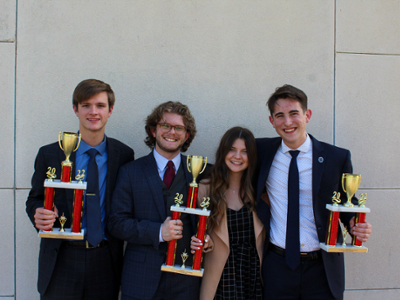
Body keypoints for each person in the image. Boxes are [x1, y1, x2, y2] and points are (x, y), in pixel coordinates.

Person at [256, 84, 372, 300]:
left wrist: (356, 223)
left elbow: (347, 203)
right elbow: (229, 165)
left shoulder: (336, 157)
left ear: (307, 115)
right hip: (277, 266)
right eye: (280, 116)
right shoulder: (261, 151)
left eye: (294, 114)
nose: (287, 122)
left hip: (322, 267)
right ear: (272, 121)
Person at [26, 79, 134, 300]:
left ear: (110, 110)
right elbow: (34, 199)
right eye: (85, 105)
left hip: (105, 260)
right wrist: (38, 213)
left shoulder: (124, 155)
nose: (93, 112)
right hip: (61, 258)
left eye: (100, 105)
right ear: (75, 109)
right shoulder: (50, 154)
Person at [108, 101, 202, 300]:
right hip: (140, 281)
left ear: (186, 135)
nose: (171, 132)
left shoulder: (200, 172)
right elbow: (116, 223)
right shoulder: (130, 171)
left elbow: (208, 220)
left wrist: (207, 239)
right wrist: (158, 232)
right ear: (153, 130)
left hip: (185, 283)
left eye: (179, 127)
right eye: (165, 125)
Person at [191, 127, 265, 300]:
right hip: (220, 277)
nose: (237, 156)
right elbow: (196, 231)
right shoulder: (205, 188)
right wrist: (203, 241)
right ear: (223, 152)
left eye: (244, 151)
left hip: (253, 276)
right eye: (232, 149)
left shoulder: (260, 190)